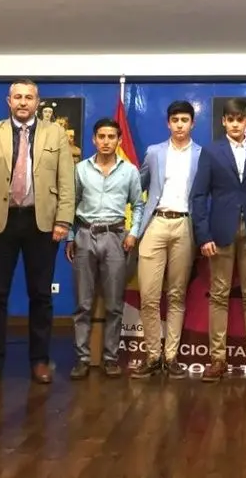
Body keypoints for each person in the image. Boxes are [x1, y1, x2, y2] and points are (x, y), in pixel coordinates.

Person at [0, 78, 74, 385]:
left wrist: (63, 221)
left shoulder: (55, 133)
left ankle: (39, 361)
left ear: (37, 102)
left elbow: (66, 181)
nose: (23, 102)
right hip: (0, 222)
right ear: (9, 101)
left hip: (42, 223)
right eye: (18, 97)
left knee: (41, 295)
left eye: (29, 97)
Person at [191, 98, 246, 383]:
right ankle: (217, 360)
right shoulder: (211, 152)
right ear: (223, 121)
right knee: (219, 295)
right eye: (231, 119)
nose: (236, 124)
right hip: (220, 232)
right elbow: (199, 196)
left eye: (240, 119)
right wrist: (203, 235)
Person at [129, 101, 202, 379]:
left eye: (185, 120)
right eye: (175, 120)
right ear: (168, 123)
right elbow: (137, 188)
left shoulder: (201, 155)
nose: (180, 125)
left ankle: (170, 357)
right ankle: (152, 355)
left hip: (185, 225)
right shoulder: (154, 152)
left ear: (192, 123)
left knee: (176, 295)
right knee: (149, 295)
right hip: (155, 224)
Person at [66, 118, 143, 379]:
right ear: (94, 140)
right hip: (85, 235)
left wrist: (134, 233)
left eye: (111, 137)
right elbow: (71, 204)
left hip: (115, 237)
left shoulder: (130, 171)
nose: (106, 141)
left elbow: (139, 205)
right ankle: (82, 359)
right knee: (83, 304)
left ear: (119, 140)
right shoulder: (80, 169)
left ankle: (110, 358)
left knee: (113, 304)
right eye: (101, 136)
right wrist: (70, 237)